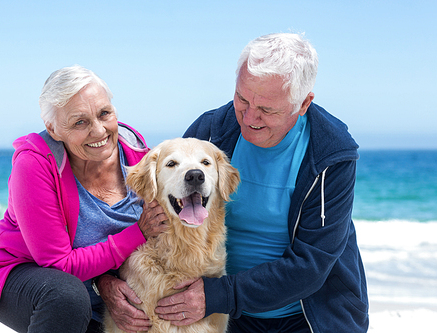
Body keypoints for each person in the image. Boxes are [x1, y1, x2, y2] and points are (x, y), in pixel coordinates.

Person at [154, 33, 369, 332]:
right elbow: (157, 207)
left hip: (309, 315)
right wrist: (111, 280)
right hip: (224, 313)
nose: (250, 117)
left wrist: (220, 295)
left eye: (268, 109)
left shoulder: (332, 154)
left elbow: (311, 265)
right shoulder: (212, 130)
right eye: (242, 99)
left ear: (303, 104)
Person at [0, 65, 168, 333]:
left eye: (104, 114)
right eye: (80, 122)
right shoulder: (34, 165)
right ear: (53, 128)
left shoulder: (136, 152)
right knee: (67, 298)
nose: (99, 131)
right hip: (27, 278)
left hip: (97, 285)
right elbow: (58, 265)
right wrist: (138, 232)